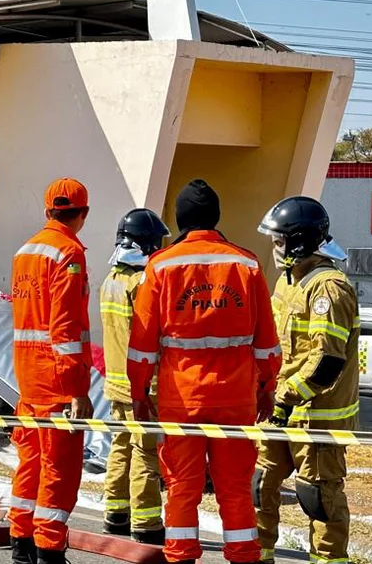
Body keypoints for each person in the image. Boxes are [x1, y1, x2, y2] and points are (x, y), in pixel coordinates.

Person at [127, 180, 280, 564]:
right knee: (235, 487)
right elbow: (267, 340)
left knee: (182, 486)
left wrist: (139, 393)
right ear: (216, 217)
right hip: (237, 397)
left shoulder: (160, 266)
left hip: (182, 399)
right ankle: (244, 556)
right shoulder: (246, 264)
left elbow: (142, 342)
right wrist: (267, 387)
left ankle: (180, 557)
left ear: (180, 220)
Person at [254, 196, 359, 564]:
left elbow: (327, 360)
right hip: (281, 410)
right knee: (261, 486)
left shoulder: (328, 287)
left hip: (317, 415)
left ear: (299, 240)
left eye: (279, 240)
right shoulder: (289, 282)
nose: (274, 246)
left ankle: (329, 560)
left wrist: (285, 398)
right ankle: (259, 554)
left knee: (319, 498)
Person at [8, 177, 93, 564]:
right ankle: (49, 549)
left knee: (31, 461)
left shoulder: (26, 252)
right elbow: (65, 329)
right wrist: (78, 388)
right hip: (57, 379)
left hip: (28, 376)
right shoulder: (68, 254)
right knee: (59, 468)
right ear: (83, 214)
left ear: (47, 212)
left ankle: (20, 540)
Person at [99, 208, 169, 545]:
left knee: (121, 446)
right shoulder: (141, 283)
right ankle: (147, 522)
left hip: (115, 381)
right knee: (145, 452)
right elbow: (150, 335)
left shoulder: (110, 280)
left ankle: (115, 514)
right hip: (141, 384)